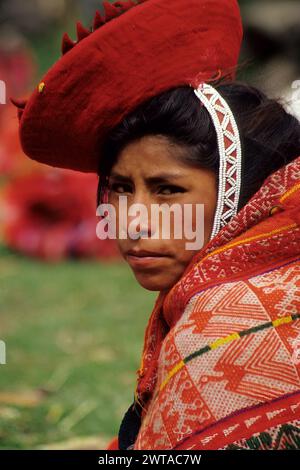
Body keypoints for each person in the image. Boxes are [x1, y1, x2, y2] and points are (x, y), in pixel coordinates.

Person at [11, 0, 300, 450]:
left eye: (167, 190)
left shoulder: (224, 324)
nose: (133, 221)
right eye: (121, 188)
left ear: (237, 190)